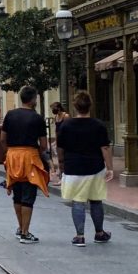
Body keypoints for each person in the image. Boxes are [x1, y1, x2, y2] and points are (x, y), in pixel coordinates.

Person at [56, 90, 114, 246]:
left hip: (73, 167)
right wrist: (110, 167)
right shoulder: (99, 125)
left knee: (78, 201)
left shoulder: (66, 125)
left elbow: (60, 147)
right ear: (90, 106)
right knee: (96, 200)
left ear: (75, 107)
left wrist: (60, 165)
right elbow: (105, 148)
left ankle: (79, 236)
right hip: (95, 167)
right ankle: (99, 233)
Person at [1, 85, 52, 243]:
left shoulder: (10, 115)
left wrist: (9, 153)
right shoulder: (37, 118)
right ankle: (25, 232)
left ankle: (20, 228)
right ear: (33, 100)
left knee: (17, 194)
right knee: (28, 195)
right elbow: (43, 144)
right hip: (30, 156)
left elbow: (2, 139)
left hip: (13, 156)